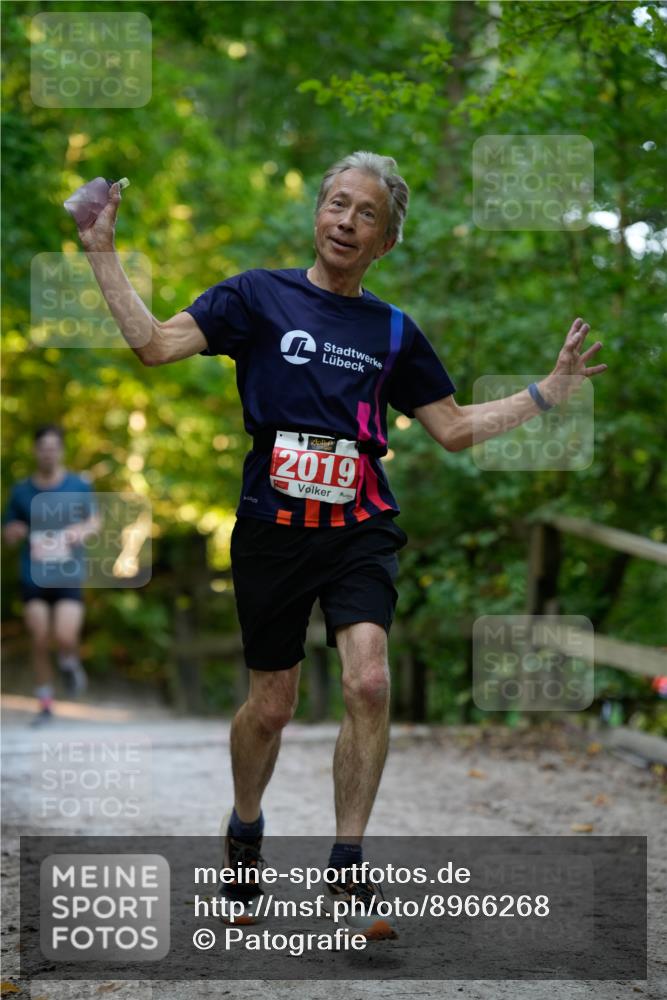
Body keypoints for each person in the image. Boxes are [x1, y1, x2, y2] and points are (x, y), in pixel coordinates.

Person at [75, 150, 607, 939]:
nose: (344, 221)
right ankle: (246, 825)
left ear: (385, 240)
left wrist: (543, 394)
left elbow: (453, 430)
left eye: (365, 214)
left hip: (358, 526)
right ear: (316, 213)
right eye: (335, 204)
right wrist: (102, 253)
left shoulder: (393, 331)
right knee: (272, 706)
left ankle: (349, 864)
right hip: (272, 530)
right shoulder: (257, 296)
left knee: (367, 682)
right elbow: (154, 345)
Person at [2, 425, 98, 725]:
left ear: (61, 450)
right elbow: (8, 531)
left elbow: (94, 521)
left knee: (65, 636)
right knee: (40, 637)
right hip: (34, 576)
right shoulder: (21, 491)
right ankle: (45, 701)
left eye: (53, 447)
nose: (48, 452)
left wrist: (79, 531)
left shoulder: (78, 485)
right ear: (35, 450)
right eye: (43, 447)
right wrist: (13, 532)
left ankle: (69, 662)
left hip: (68, 574)